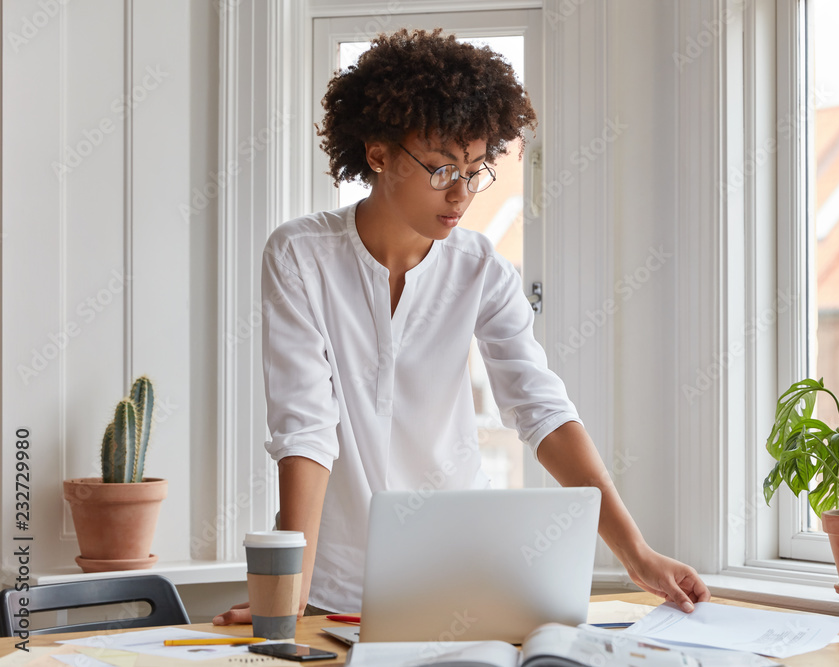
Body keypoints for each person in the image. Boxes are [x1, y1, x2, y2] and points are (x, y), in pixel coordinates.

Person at [214, 28, 709, 626]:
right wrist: (290, 592)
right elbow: (305, 430)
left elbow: (542, 410)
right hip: (333, 587)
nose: (462, 194)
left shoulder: (482, 270)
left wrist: (637, 554)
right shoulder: (301, 255)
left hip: (461, 581)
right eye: (442, 168)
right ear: (378, 153)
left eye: (476, 170)